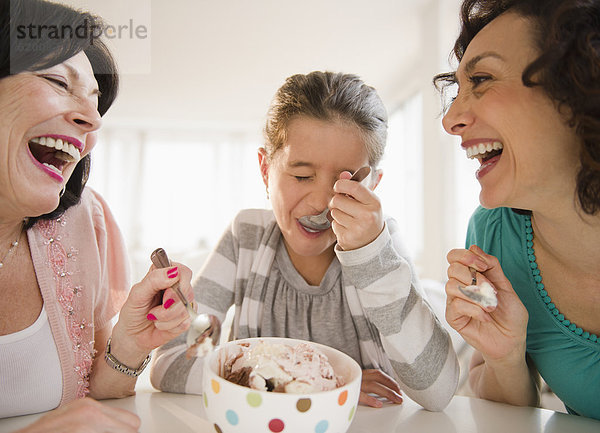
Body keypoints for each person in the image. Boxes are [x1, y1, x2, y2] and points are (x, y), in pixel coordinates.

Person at [150, 71, 459, 411]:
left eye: (346, 182)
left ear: (372, 185)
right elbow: (173, 361)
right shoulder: (246, 237)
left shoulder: (381, 247)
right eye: (301, 176)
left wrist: (371, 256)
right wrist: (318, 384)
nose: (319, 203)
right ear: (266, 170)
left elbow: (438, 390)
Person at [0, 1, 193, 431]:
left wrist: (131, 342)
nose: (93, 121)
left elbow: (96, 391)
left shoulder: (83, 224)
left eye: (95, 102)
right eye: (56, 81)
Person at [436, 0, 600, 420]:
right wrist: (506, 357)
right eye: (456, 90)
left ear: (581, 85)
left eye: (483, 78)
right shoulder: (494, 238)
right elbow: (511, 417)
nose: (450, 118)